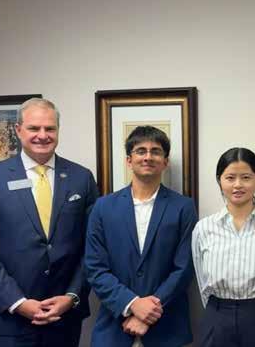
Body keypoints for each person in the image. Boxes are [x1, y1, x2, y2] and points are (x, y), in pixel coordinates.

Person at [0, 97, 98, 346]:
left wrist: (72, 296)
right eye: (34, 128)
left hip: (63, 318)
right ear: (18, 130)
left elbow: (92, 247)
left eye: (50, 128)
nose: (43, 135)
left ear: (58, 130)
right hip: (8, 320)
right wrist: (17, 302)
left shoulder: (81, 178)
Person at [85, 125, 197, 346]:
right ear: (129, 160)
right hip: (114, 328)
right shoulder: (103, 207)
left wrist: (149, 311)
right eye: (141, 151)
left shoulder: (183, 207)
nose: (148, 157)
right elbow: (94, 268)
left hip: (167, 328)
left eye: (156, 151)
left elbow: (184, 268)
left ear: (165, 162)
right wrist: (132, 304)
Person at [193, 147, 255, 347]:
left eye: (246, 177)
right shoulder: (204, 228)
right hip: (217, 317)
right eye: (230, 178)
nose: (238, 185)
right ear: (219, 180)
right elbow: (203, 284)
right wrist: (220, 310)